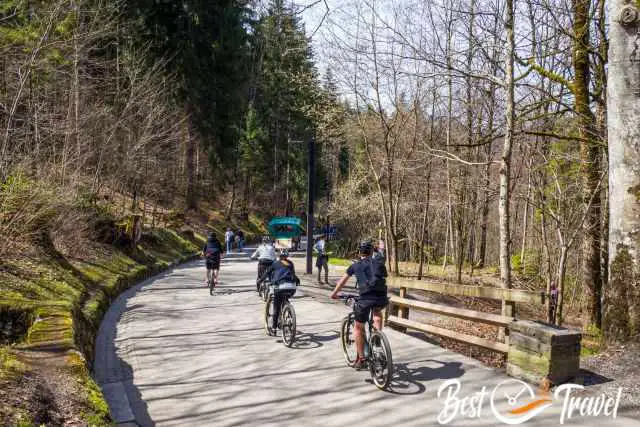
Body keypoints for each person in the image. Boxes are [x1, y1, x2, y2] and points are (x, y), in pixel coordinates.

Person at [330, 240, 388, 369]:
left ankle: (361, 359)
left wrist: (334, 294)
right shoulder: (379, 263)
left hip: (366, 298)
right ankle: (377, 338)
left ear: (359, 252)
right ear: (372, 251)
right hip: (382, 297)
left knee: (358, 327)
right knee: (377, 311)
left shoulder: (355, 266)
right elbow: (383, 277)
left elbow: (342, 281)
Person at [257, 249, 300, 331]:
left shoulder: (275, 263)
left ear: (278, 256)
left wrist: (260, 280)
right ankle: (288, 310)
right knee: (285, 298)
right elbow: (293, 274)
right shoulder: (290, 263)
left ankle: (274, 327)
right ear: (287, 256)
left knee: (276, 306)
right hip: (292, 288)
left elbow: (267, 273)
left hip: (280, 287)